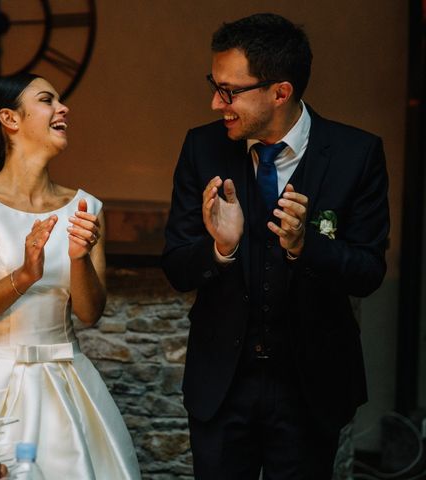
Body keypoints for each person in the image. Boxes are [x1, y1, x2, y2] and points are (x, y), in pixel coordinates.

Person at [161, 13, 389, 479]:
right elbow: (178, 267)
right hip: (222, 385)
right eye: (215, 84)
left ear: (280, 92)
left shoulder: (356, 154)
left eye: (229, 91)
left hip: (311, 387)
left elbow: (368, 271)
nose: (214, 102)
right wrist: (219, 250)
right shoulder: (201, 149)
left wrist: (306, 246)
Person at [0, 73, 141, 480]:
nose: (63, 108)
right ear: (10, 119)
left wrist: (78, 258)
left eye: (60, 101)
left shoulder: (85, 206)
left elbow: (89, 314)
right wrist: (25, 275)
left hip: (66, 381)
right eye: (48, 100)